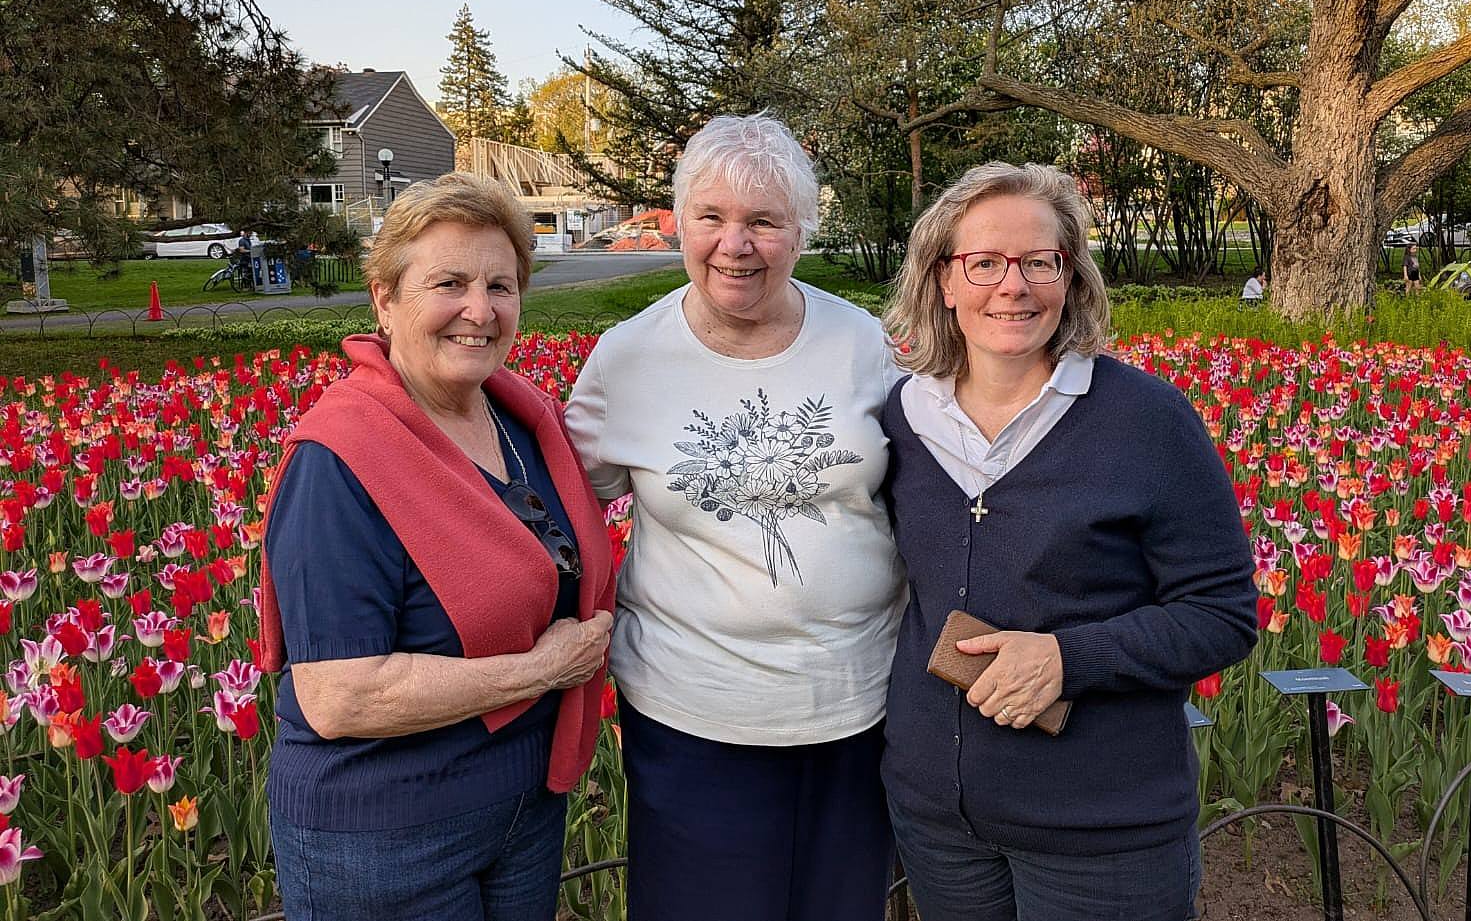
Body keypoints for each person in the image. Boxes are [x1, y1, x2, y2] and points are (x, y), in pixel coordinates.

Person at [877, 162, 1257, 921]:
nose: (1010, 285)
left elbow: (1222, 613)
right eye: (982, 262)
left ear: (1070, 277)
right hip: (939, 826)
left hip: (1101, 832)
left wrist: (1065, 658)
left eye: (1037, 262)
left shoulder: (1145, 421)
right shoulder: (900, 420)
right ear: (943, 281)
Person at [564, 114, 905, 921]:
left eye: (763, 221)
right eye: (711, 217)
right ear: (679, 223)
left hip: (854, 701)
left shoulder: (863, 343)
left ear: (801, 232)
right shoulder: (628, 357)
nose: (734, 243)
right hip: (693, 709)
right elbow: (562, 498)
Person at [258, 173, 617, 921]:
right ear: (384, 299)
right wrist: (542, 668)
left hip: (521, 808)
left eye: (501, 284)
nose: (480, 311)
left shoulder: (523, 422)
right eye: (448, 283)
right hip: (385, 834)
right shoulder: (340, 457)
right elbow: (339, 693)